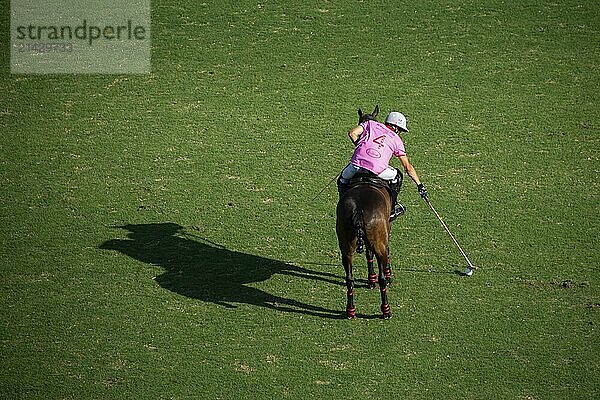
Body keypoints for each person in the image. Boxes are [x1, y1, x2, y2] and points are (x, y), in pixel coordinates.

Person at [337, 111, 428, 220]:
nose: (399, 133)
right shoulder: (397, 140)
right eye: (400, 130)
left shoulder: (370, 124)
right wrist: (419, 185)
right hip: (377, 169)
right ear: (396, 128)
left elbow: (352, 133)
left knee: (342, 179)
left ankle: (342, 207)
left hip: (356, 164)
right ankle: (392, 210)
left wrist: (360, 145)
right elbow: (407, 167)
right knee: (397, 176)